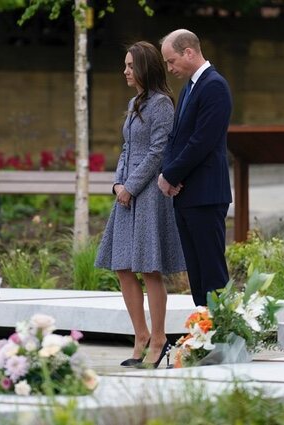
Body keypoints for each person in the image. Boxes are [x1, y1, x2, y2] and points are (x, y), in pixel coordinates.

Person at [95, 41, 186, 369]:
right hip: (126, 194)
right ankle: (141, 335)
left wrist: (131, 187)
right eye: (125, 65)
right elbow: (127, 147)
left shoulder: (162, 104)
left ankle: (159, 337)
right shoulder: (135, 102)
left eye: (131, 66)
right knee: (122, 266)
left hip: (148, 196)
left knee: (149, 268)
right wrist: (118, 183)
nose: (126, 71)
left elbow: (158, 152)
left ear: (146, 67)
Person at [157, 29, 232, 307]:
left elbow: (203, 140)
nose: (169, 67)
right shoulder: (190, 87)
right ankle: (204, 333)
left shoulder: (214, 85)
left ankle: (223, 338)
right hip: (186, 194)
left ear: (189, 52)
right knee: (197, 275)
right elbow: (176, 137)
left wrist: (171, 175)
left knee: (212, 273)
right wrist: (167, 173)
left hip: (206, 194)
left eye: (171, 60)